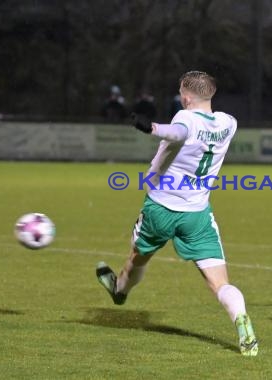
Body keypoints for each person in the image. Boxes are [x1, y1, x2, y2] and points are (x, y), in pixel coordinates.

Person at [95, 71, 258, 356]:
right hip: (197, 213)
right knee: (220, 283)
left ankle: (119, 290)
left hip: (161, 207)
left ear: (185, 97)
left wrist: (152, 128)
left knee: (137, 258)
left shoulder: (184, 118)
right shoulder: (229, 123)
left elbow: (179, 133)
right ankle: (241, 320)